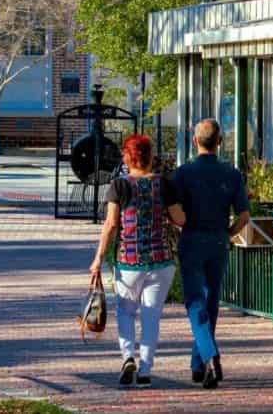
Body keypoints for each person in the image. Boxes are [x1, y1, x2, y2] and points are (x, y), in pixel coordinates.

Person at [90, 134, 185, 388]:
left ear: (127, 157)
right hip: (160, 260)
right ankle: (145, 370)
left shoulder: (119, 186)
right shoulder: (164, 185)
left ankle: (127, 357)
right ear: (150, 157)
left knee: (125, 312)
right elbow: (179, 219)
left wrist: (98, 258)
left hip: (128, 261)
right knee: (151, 316)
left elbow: (111, 225)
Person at [172, 119, 250, 390]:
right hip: (218, 240)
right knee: (211, 303)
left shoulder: (183, 173)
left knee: (195, 303)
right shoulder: (232, 173)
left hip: (192, 239)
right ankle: (199, 366)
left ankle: (210, 356)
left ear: (195, 141)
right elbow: (244, 215)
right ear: (220, 142)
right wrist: (228, 233)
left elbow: (175, 212)